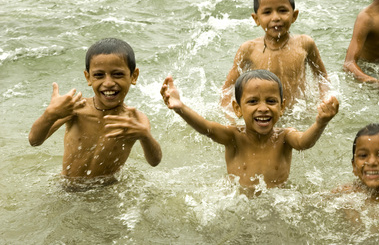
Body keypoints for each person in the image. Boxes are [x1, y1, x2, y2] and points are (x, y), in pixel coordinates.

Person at [161, 69, 339, 196]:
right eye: (253, 102)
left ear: (282, 107)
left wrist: (320, 122)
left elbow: (304, 142)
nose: (263, 108)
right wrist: (180, 107)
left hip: (277, 203)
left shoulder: (285, 136)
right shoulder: (234, 137)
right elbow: (207, 128)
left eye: (271, 101)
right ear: (237, 109)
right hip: (238, 202)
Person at [29, 38, 162, 190]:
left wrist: (145, 136)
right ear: (88, 77)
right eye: (99, 75)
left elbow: (154, 161)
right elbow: (34, 140)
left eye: (117, 74)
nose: (108, 83)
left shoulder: (134, 120)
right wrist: (50, 114)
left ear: (133, 76)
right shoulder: (76, 109)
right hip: (67, 188)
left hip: (107, 192)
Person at [221, 0, 329, 112]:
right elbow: (228, 88)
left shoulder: (305, 43)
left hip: (297, 113)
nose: (276, 18)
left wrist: (325, 100)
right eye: (267, 12)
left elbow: (322, 77)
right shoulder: (249, 49)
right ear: (256, 19)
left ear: (294, 16)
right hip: (264, 113)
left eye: (282, 11)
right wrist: (231, 117)